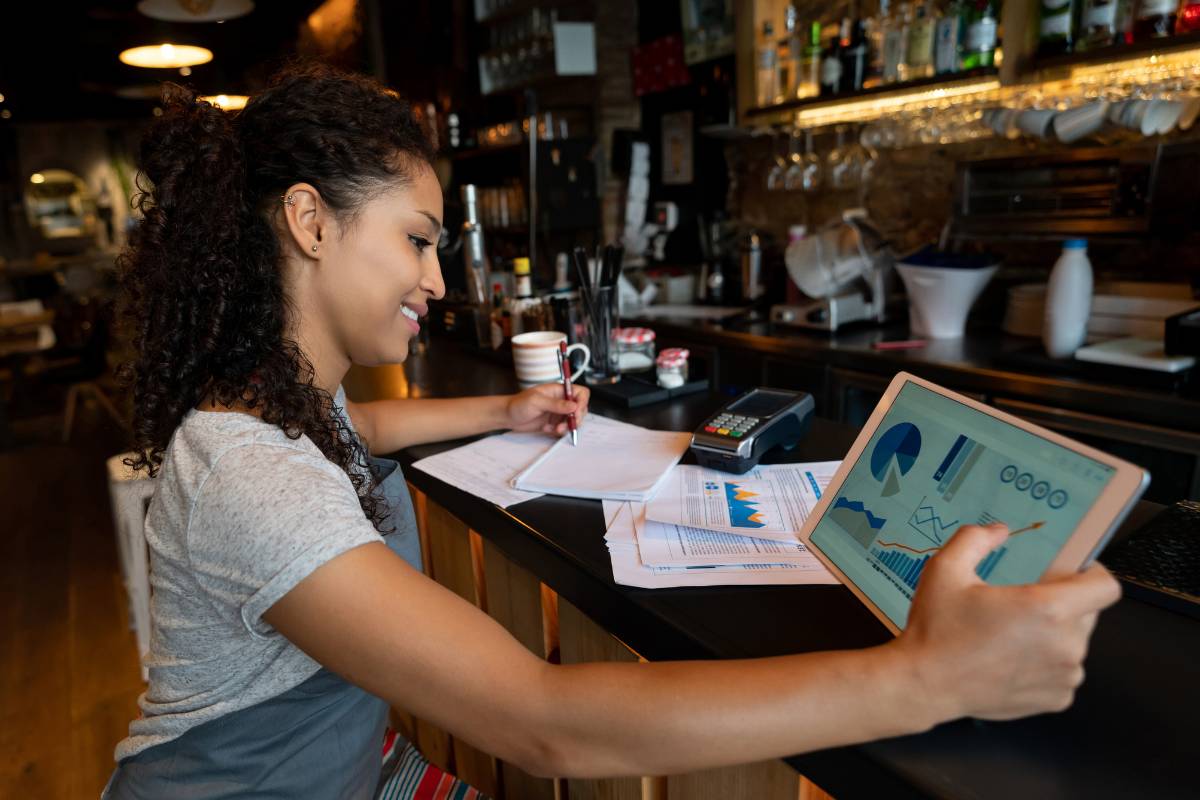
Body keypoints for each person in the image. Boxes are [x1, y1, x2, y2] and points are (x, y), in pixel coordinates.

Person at [104, 65, 1120, 799]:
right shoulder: (248, 471)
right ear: (310, 221)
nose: (437, 281)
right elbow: (541, 722)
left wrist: (502, 410)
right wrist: (931, 676)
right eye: (417, 241)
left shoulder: (280, 404)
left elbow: (358, 423)